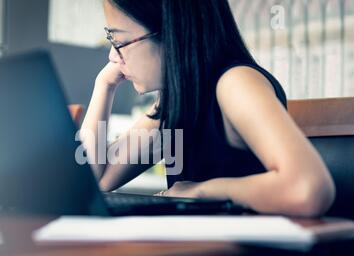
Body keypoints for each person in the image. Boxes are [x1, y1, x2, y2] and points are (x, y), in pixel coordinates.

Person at [81, 0, 335, 217]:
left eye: (118, 41)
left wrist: (199, 192)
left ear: (172, 33)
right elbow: (97, 180)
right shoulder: (178, 101)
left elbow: (307, 188)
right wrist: (103, 86)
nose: (113, 56)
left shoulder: (236, 83)